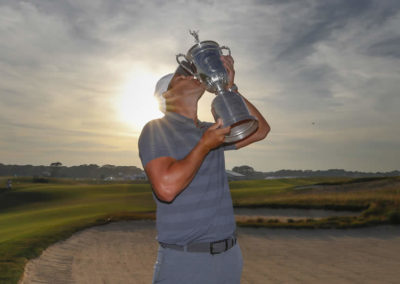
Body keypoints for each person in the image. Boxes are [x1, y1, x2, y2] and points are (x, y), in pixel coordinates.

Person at [138, 55, 270, 283]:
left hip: (229, 257)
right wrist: (205, 145)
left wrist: (229, 89)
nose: (192, 75)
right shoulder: (156, 129)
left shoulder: (210, 130)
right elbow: (166, 188)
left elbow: (260, 130)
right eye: (181, 77)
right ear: (167, 96)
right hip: (185, 262)